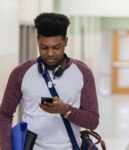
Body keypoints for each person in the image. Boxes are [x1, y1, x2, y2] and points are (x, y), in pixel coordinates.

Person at [0, 12, 99, 150]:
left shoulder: (83, 72)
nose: (50, 53)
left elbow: (93, 121)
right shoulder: (21, 73)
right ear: (37, 41)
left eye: (56, 47)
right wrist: (6, 147)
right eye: (44, 47)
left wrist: (66, 110)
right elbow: (4, 114)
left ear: (66, 42)